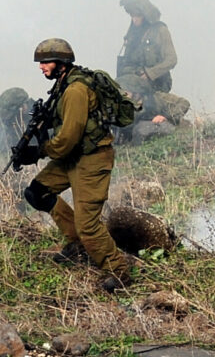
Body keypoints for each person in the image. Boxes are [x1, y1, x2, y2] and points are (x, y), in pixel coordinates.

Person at [14, 38, 134, 291]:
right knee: (37, 192)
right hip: (73, 157)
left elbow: (67, 139)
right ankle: (78, 244)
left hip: (91, 159)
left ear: (62, 62)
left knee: (88, 224)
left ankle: (118, 271)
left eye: (45, 62)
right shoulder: (63, 83)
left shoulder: (75, 90)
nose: (41, 67)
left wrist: (38, 152)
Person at [117, 0, 177, 93]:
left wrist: (150, 73)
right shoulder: (132, 35)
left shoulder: (160, 30)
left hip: (157, 83)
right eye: (132, 16)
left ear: (145, 15)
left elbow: (172, 59)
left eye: (138, 15)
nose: (134, 19)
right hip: (131, 80)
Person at [116, 71, 190, 145]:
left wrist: (165, 117)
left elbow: (184, 103)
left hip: (162, 132)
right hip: (134, 141)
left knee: (142, 128)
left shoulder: (156, 98)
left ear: (136, 92)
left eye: (126, 93)